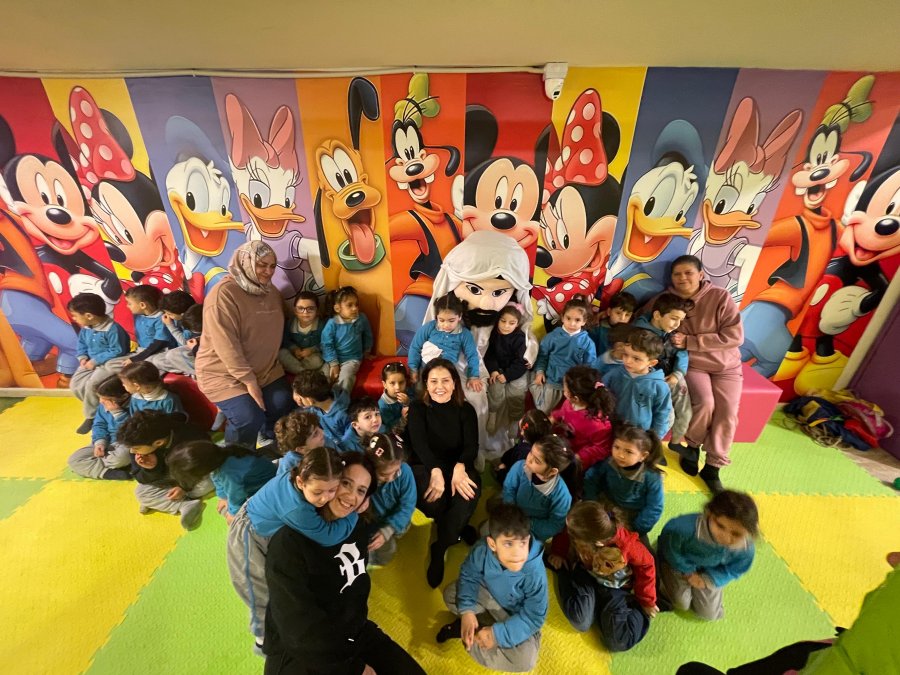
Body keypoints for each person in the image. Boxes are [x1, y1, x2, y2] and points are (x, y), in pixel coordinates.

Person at [264, 452, 426, 674]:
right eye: (346, 483)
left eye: (361, 490)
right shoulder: (288, 544)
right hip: (301, 651)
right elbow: (299, 631)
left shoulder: (356, 526)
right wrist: (353, 669)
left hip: (353, 634)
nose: (351, 496)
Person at [227, 447, 354, 652]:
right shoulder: (297, 508)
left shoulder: (302, 476)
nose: (326, 498)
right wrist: (353, 513)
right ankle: (263, 639)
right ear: (301, 482)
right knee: (258, 591)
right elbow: (328, 536)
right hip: (248, 536)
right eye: (318, 492)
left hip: (267, 525)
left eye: (332, 490)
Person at [645, 255, 744, 494]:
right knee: (705, 403)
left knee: (728, 412)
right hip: (694, 365)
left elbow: (735, 336)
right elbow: (643, 316)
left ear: (700, 274)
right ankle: (692, 447)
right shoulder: (666, 299)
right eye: (677, 274)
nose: (682, 278)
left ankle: (714, 465)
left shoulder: (720, 297)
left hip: (727, 366)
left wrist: (692, 341)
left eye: (688, 273)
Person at [195, 241, 294, 449]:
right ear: (244, 263)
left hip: (265, 370)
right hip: (223, 374)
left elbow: (290, 319)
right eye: (261, 265)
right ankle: (236, 456)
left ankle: (267, 441)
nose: (268, 271)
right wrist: (249, 381)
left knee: (282, 403)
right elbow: (226, 344)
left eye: (272, 266)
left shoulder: (270, 291)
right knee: (248, 418)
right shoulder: (224, 294)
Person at [436, 503, 547, 673]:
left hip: (515, 616)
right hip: (488, 595)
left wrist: (497, 635)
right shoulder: (482, 549)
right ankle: (474, 627)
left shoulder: (535, 572)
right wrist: (467, 611)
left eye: (523, 543)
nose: (518, 553)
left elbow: (534, 617)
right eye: (508, 544)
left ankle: (470, 634)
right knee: (451, 595)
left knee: (525, 660)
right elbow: (469, 575)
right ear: (492, 544)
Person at [407, 358, 481, 588]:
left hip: (458, 465)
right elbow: (419, 445)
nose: (440, 386)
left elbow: (471, 446)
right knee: (434, 497)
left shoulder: (466, 409)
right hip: (426, 465)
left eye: (445, 380)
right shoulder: (418, 408)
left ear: (454, 382)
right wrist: (436, 470)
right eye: (434, 381)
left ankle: (441, 546)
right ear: (426, 384)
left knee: (468, 494)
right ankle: (454, 526)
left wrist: (460, 467)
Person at [548, 501, 658, 652]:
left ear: (598, 543)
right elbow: (565, 532)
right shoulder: (580, 524)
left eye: (575, 536)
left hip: (616, 588)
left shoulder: (626, 546)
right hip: (587, 575)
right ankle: (569, 576)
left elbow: (647, 564)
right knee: (580, 620)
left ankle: (631, 610)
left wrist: (646, 600)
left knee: (619, 641)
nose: (568, 532)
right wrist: (558, 553)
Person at [657, 490, 757, 621]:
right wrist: (686, 570)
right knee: (681, 603)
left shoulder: (745, 549)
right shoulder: (683, 529)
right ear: (709, 513)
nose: (726, 537)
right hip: (681, 565)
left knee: (709, 614)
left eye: (736, 534)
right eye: (720, 526)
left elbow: (735, 570)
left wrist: (709, 579)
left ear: (748, 533)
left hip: (711, 570)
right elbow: (671, 550)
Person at [116, 410, 211, 529]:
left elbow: (201, 466)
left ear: (159, 442)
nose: (132, 451)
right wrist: (151, 468)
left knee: (210, 481)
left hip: (193, 473)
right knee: (141, 492)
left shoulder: (190, 440)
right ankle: (185, 504)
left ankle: (169, 500)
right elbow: (140, 478)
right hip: (166, 476)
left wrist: (184, 488)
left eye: (136, 448)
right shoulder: (138, 446)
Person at [634, 292, 695, 451]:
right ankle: (648, 447)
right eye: (674, 318)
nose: (677, 324)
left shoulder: (673, 336)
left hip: (673, 375)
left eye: (680, 320)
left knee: (685, 411)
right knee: (668, 417)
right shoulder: (640, 333)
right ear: (657, 315)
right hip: (653, 381)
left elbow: (682, 354)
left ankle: (676, 442)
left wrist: (677, 374)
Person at [584, 424, 665, 540]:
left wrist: (637, 528)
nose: (620, 455)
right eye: (616, 447)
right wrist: (592, 502)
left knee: (636, 548)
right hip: (607, 505)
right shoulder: (609, 462)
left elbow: (654, 507)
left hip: (633, 515)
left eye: (628, 452)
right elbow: (591, 477)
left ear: (643, 456)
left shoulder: (651, 477)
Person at [167, 440, 276, 523]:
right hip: (253, 481)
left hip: (267, 486)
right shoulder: (216, 454)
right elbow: (216, 478)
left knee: (239, 520)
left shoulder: (228, 474)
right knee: (226, 508)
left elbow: (236, 496)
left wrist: (233, 514)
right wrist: (222, 497)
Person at [67, 292, 131, 434]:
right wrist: (82, 357)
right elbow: (82, 344)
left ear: (89, 316)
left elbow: (118, 350)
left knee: (93, 384)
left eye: (75, 316)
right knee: (75, 384)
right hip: (90, 362)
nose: (74, 319)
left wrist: (96, 361)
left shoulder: (113, 329)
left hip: (110, 362)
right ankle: (97, 408)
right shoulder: (86, 328)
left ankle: (91, 417)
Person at [502, 434, 576, 541]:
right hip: (513, 514)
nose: (529, 459)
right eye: (531, 452)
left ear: (552, 471)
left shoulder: (561, 495)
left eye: (536, 461)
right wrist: (511, 509)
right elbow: (509, 488)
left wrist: (527, 524)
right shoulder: (520, 466)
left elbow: (555, 524)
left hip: (532, 531)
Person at [530, 297, 597, 414]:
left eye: (577, 320)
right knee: (543, 410)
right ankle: (534, 386)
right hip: (553, 381)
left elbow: (590, 366)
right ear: (562, 317)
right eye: (568, 318)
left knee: (570, 415)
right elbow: (542, 356)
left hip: (573, 386)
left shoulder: (588, 343)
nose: (572, 323)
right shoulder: (552, 337)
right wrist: (540, 372)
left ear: (584, 321)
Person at [602, 329, 673, 439]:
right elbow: (601, 395)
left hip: (639, 436)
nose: (628, 361)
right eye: (625, 354)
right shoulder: (614, 374)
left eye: (636, 358)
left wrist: (655, 438)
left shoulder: (659, 386)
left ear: (652, 363)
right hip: (612, 430)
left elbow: (662, 414)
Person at [408, 293, 482, 394]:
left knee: (448, 392)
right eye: (441, 320)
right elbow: (415, 347)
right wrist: (413, 368)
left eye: (451, 321)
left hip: (448, 370)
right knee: (420, 390)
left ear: (459, 316)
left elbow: (472, 355)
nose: (446, 325)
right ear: (436, 317)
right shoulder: (429, 327)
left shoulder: (464, 334)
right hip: (426, 366)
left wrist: (473, 375)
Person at [365, 433, 417, 566]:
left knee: (387, 553)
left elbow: (408, 505)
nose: (390, 478)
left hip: (398, 521)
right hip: (372, 521)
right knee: (374, 549)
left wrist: (388, 530)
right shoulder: (365, 476)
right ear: (371, 468)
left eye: (396, 471)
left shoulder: (405, 472)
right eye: (383, 474)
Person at [67, 376, 133, 480]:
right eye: (100, 397)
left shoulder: (133, 405)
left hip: (127, 442)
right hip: (108, 442)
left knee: (121, 458)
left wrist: (118, 413)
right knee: (74, 459)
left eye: (106, 399)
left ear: (123, 396)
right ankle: (104, 472)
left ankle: (96, 466)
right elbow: (99, 425)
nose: (101, 401)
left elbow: (132, 431)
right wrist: (100, 442)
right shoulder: (102, 406)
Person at [551, 365, 615, 471]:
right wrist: (553, 418)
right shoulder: (569, 402)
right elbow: (563, 413)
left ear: (576, 398)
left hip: (574, 460)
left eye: (565, 390)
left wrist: (579, 457)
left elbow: (602, 448)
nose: (563, 392)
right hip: (563, 446)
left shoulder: (598, 424)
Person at [484, 303, 529, 439]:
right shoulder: (494, 334)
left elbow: (521, 362)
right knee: (495, 388)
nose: (506, 326)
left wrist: (508, 375)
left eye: (511, 323)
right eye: (503, 321)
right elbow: (489, 354)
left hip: (516, 371)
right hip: (499, 369)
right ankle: (493, 413)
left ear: (517, 324)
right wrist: (493, 370)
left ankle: (515, 420)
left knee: (517, 391)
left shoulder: (520, 338)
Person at [320, 285, 374, 394]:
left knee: (346, 378)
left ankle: (340, 401)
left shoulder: (361, 318)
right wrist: (334, 363)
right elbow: (326, 344)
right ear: (337, 308)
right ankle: (323, 400)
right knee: (323, 378)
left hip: (352, 359)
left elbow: (368, 335)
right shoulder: (332, 323)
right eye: (350, 305)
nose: (355, 308)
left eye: (356, 304)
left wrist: (367, 351)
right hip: (332, 359)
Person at [292, 370, 350, 449]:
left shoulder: (341, 414)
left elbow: (349, 442)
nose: (299, 400)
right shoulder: (320, 401)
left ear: (310, 400)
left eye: (301, 398)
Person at [495, 409, 552, 485]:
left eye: (523, 417)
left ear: (522, 431)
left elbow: (516, 477)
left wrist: (502, 471)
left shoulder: (524, 454)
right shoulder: (538, 441)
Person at [148, 303, 203, 378]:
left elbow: (184, 342)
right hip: (191, 349)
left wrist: (170, 325)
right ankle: (187, 370)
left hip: (197, 352)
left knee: (172, 355)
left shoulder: (193, 323)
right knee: (156, 360)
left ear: (182, 315)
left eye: (169, 314)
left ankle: (197, 373)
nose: (167, 316)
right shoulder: (184, 320)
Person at [278, 291, 325, 375]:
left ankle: (301, 372)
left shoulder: (321, 325)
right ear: (295, 311)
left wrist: (312, 350)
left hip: (312, 356)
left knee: (317, 361)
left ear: (317, 311)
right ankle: (303, 372)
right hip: (295, 356)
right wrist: (294, 349)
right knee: (281, 354)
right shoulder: (290, 323)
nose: (305, 312)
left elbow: (326, 343)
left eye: (310, 308)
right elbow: (286, 340)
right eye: (300, 308)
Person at [119, 361, 183, 415]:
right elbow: (133, 421)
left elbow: (176, 422)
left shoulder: (169, 400)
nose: (123, 385)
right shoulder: (135, 398)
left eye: (124, 383)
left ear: (137, 386)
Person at [274, 410, 325, 476]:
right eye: (315, 434)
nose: (322, 432)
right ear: (301, 449)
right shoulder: (289, 467)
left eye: (319, 428)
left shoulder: (324, 441)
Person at [588, 291, 636, 356]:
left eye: (627, 315)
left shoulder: (631, 334)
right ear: (609, 312)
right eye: (618, 313)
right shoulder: (597, 329)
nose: (622, 318)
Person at [379, 361, 412, 435]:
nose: (397, 387)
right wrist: (403, 418)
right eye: (392, 383)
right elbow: (392, 429)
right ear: (384, 384)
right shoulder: (383, 406)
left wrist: (408, 402)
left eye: (401, 382)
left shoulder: (408, 391)